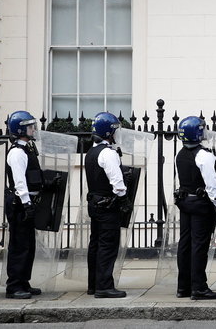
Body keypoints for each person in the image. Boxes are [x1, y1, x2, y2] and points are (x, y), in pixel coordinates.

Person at [174, 116, 216, 300]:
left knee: (185, 244)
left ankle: (183, 287)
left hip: (185, 202)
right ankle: (199, 287)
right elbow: (212, 185)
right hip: (201, 205)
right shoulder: (204, 155)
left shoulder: (179, 154)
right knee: (199, 246)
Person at [84, 112, 128, 298]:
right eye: (115, 130)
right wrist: (123, 197)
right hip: (108, 205)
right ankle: (104, 286)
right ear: (108, 133)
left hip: (94, 203)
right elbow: (117, 184)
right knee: (107, 245)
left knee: (95, 244)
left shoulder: (91, 152)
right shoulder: (108, 153)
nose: (117, 134)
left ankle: (93, 284)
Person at [4, 111, 43, 299]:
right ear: (20, 129)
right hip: (20, 203)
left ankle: (24, 281)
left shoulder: (28, 148)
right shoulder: (17, 152)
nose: (33, 129)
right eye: (30, 126)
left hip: (27, 202)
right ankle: (14, 285)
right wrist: (27, 203)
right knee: (19, 245)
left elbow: (32, 175)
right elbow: (20, 182)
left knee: (28, 245)